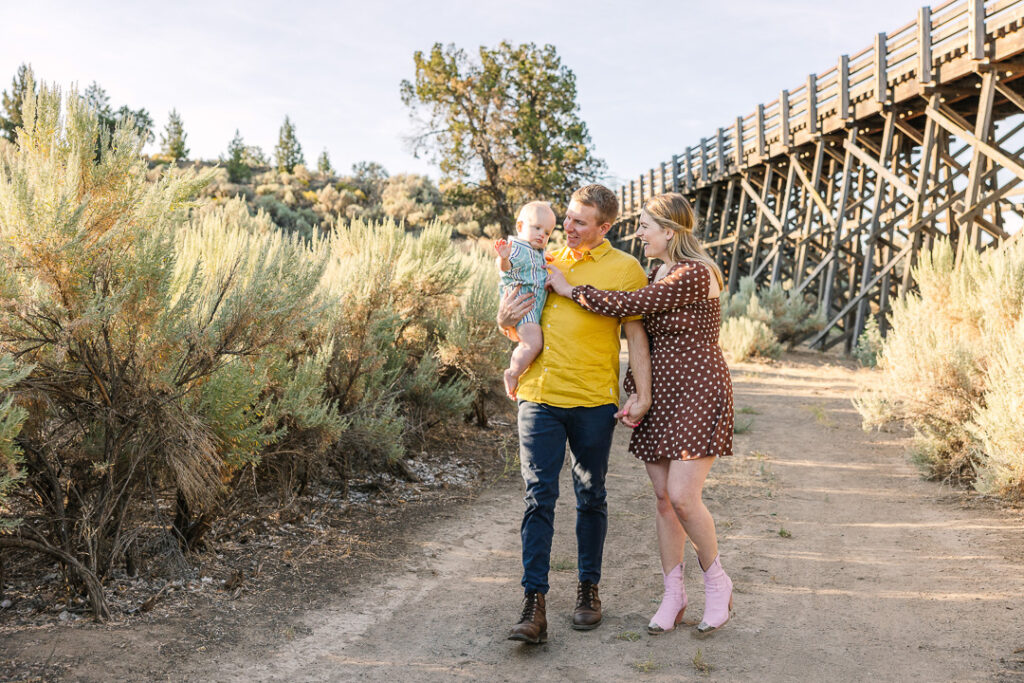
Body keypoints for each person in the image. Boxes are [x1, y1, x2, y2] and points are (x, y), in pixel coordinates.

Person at [546, 192, 735, 637]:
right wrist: (637, 390)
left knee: (684, 496)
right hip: (662, 395)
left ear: (669, 231)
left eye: (645, 226)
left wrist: (571, 289)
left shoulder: (695, 273)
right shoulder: (658, 270)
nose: (639, 233)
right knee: (664, 500)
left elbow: (627, 307)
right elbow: (640, 338)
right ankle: (674, 595)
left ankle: (717, 583)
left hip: (697, 389)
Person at [498, 184, 652, 644]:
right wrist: (504, 320)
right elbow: (517, 320)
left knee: (591, 495)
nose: (567, 226)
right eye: (567, 217)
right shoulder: (543, 257)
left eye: (580, 221)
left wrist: (641, 393)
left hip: (593, 400)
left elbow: (636, 339)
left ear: (605, 227)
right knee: (537, 497)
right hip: (540, 396)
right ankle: (534, 604)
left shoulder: (626, 269)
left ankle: (588, 590)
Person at [493, 201, 557, 400]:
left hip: (532, 305)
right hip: (523, 305)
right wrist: (503, 258)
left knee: (533, 342)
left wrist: (545, 259)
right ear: (520, 227)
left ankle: (518, 370)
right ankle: (512, 372)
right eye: (537, 228)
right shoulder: (517, 247)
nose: (542, 235)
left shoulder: (536, 250)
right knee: (533, 344)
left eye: (547, 232)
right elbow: (506, 266)